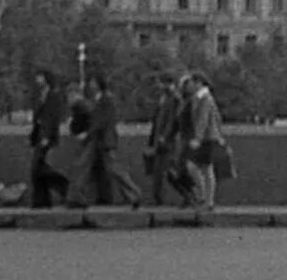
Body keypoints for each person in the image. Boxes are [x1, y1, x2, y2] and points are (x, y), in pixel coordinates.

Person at [73, 68, 133, 209]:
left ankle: (134, 193)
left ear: (99, 83)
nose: (91, 84)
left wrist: (87, 135)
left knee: (114, 169)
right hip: (99, 141)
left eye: (93, 82)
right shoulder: (100, 98)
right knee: (87, 168)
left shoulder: (106, 99)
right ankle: (78, 196)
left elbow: (101, 122)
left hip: (104, 140)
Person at [180, 70, 228, 213]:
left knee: (198, 167)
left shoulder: (204, 98)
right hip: (210, 137)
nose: (191, 86)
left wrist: (197, 138)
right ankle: (207, 199)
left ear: (199, 83)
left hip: (207, 138)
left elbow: (203, 119)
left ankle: (205, 198)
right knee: (205, 168)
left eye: (193, 83)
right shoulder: (201, 97)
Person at [26, 67, 73, 209]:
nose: (37, 80)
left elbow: (51, 117)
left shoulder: (53, 95)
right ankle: (42, 200)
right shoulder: (41, 94)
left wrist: (46, 136)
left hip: (45, 136)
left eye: (40, 77)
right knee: (38, 169)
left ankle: (64, 185)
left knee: (38, 168)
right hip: (39, 134)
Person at [144, 69, 189, 207]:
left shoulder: (174, 99)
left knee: (170, 172)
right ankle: (158, 199)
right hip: (160, 140)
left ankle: (188, 195)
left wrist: (165, 136)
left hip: (168, 141)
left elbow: (173, 121)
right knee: (158, 171)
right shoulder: (164, 98)